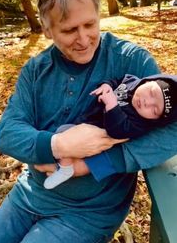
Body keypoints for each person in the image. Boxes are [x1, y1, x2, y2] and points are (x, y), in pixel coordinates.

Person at [0, 0, 177, 243]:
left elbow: (173, 128)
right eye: (70, 29)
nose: (84, 39)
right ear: (47, 30)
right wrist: (60, 145)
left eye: (90, 25)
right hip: (28, 195)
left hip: (89, 213)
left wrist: (96, 162)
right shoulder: (35, 71)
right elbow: (8, 133)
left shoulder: (130, 61)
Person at [44, 73, 177, 189]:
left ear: (156, 119)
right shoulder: (131, 81)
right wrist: (106, 85)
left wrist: (112, 105)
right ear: (149, 81)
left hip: (93, 140)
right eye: (151, 93)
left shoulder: (139, 123)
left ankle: (66, 169)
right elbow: (116, 81)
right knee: (58, 135)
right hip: (85, 122)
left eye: (154, 110)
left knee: (63, 132)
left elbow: (118, 131)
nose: (147, 102)